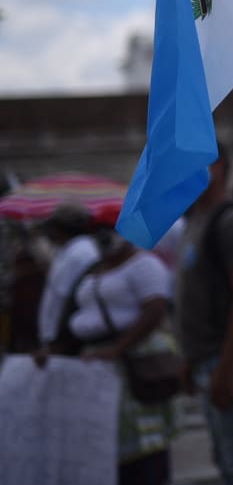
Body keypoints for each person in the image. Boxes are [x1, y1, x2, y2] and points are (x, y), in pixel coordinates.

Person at [42, 208, 179, 485]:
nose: (104, 237)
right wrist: (55, 351)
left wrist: (118, 348)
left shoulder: (144, 265)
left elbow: (155, 309)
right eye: (97, 231)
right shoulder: (93, 272)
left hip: (134, 365)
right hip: (98, 365)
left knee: (143, 450)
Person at [174, 143, 233, 485]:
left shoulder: (232, 221)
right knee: (227, 463)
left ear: (221, 167)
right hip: (207, 359)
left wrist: (227, 368)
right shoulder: (195, 221)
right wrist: (189, 357)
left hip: (230, 361)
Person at [36, 203, 100, 348]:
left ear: (59, 228)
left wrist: (56, 340)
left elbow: (67, 298)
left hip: (64, 339)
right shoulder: (68, 251)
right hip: (56, 336)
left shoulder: (81, 253)